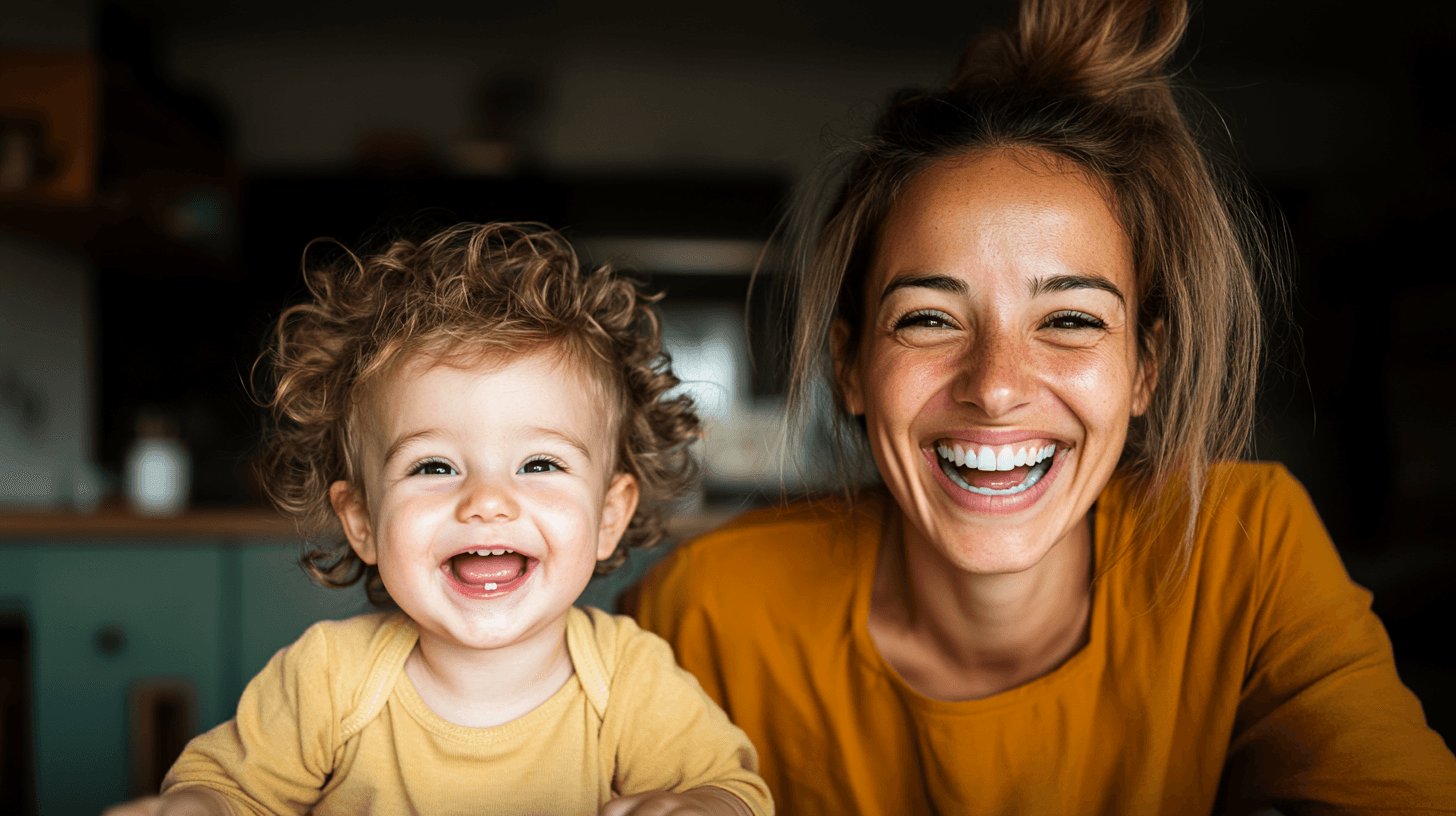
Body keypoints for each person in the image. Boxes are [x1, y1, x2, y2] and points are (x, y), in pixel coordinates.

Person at [633, 0, 1456, 813]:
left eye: (1069, 321)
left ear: (1146, 368)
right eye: (929, 319)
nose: (995, 386)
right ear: (850, 366)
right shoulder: (709, 609)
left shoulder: (1245, 547)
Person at [105, 223, 772, 816]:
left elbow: (732, 789)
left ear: (609, 515)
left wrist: (699, 805)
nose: (486, 500)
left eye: (539, 464)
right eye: (433, 467)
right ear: (362, 520)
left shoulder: (631, 679)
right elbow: (226, 789)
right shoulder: (327, 680)